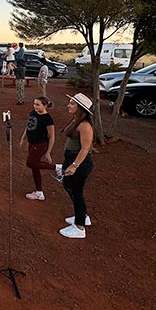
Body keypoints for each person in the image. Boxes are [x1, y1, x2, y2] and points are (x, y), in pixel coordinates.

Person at [58, 94, 97, 239]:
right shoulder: (76, 121)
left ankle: (80, 227)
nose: (69, 105)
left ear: (80, 108)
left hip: (79, 162)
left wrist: (74, 166)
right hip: (71, 159)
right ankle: (82, 216)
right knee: (68, 185)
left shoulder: (85, 125)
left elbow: (85, 149)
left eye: (72, 104)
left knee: (76, 191)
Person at [19, 97, 57, 201]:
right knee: (34, 167)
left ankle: (56, 168)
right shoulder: (33, 113)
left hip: (40, 144)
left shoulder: (47, 119)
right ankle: (39, 192)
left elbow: (52, 136)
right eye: (34, 104)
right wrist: (23, 138)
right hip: (32, 143)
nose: (35, 106)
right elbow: (28, 126)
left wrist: (48, 152)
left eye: (38, 104)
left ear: (45, 106)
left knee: (30, 163)